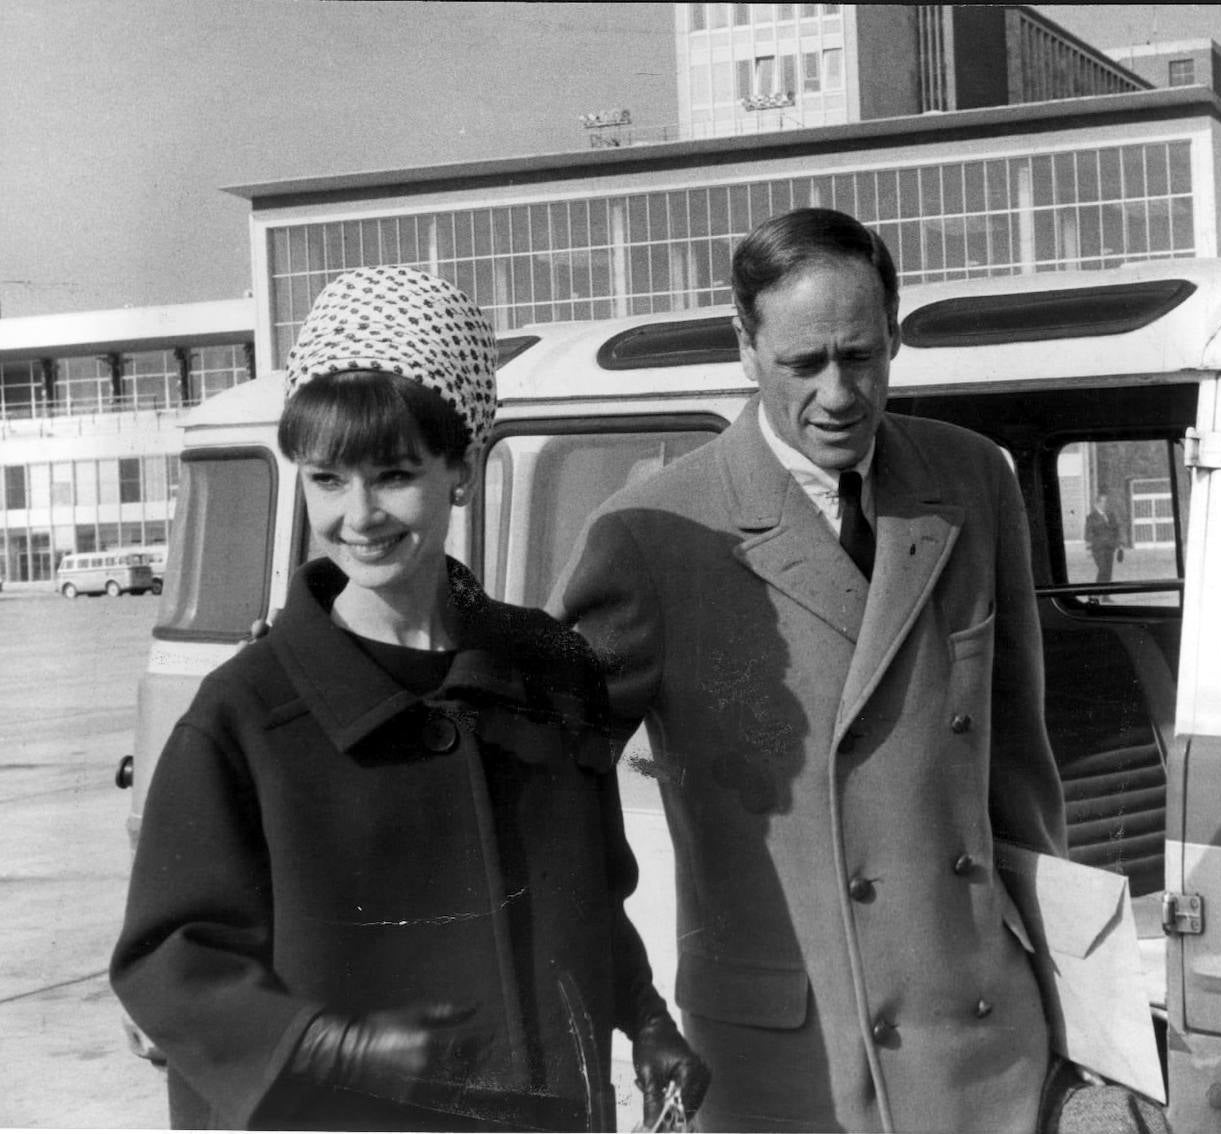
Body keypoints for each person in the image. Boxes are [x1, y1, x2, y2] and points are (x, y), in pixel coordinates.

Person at [110, 266, 707, 1132]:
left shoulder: (550, 670)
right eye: (326, 479)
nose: (359, 515)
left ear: (460, 469)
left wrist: (648, 1022)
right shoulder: (246, 713)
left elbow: (594, 897)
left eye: (393, 474)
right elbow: (170, 960)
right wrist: (330, 1046)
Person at [548, 209, 1068, 1132]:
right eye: (804, 364)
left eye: (862, 356)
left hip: (980, 1040)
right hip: (789, 1054)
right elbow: (551, 792)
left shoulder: (973, 481)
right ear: (742, 345)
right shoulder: (655, 533)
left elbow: (1020, 770)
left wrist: (1069, 995)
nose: (840, 393)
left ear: (896, 331)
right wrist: (625, 1008)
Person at [1085, 494, 1124, 585]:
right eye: (1104, 501)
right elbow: (1088, 533)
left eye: (1107, 502)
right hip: (1098, 549)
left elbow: (1116, 530)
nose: (1106, 504)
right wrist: (1088, 549)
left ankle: (1105, 595)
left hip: (1110, 548)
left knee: (1108, 572)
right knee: (1103, 570)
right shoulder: (1092, 517)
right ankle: (1096, 593)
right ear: (1098, 503)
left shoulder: (1111, 516)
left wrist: (1120, 545)